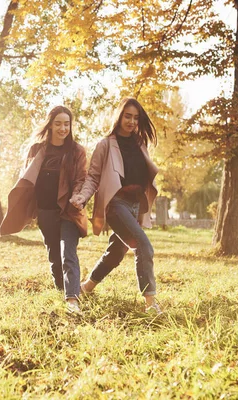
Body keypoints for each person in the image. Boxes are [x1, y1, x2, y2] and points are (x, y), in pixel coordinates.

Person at [69, 97, 162, 314]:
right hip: (115, 204)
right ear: (119, 116)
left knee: (117, 250)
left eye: (136, 118)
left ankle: (85, 288)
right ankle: (151, 303)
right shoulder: (105, 144)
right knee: (143, 245)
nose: (131, 121)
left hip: (134, 205)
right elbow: (93, 177)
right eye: (127, 116)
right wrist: (82, 197)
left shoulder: (140, 144)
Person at [0, 106, 88, 314]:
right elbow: (27, 177)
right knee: (54, 256)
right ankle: (62, 290)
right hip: (45, 210)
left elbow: (81, 179)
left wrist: (77, 197)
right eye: (58, 123)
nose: (63, 128)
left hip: (68, 210)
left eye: (66, 124)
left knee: (68, 253)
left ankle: (72, 299)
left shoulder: (77, 151)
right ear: (50, 124)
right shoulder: (37, 150)